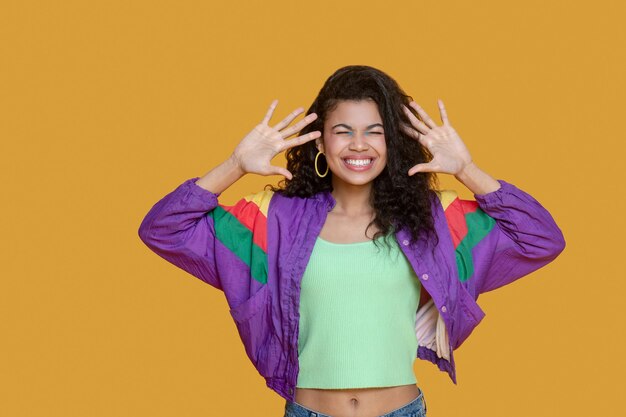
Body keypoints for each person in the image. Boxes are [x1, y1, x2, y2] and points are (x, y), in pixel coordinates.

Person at [138, 65, 566, 417]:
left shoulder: (436, 219)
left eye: (374, 131)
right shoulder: (273, 219)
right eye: (343, 130)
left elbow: (540, 238)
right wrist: (234, 165)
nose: (358, 145)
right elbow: (163, 229)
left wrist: (467, 169)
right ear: (321, 141)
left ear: (392, 143)